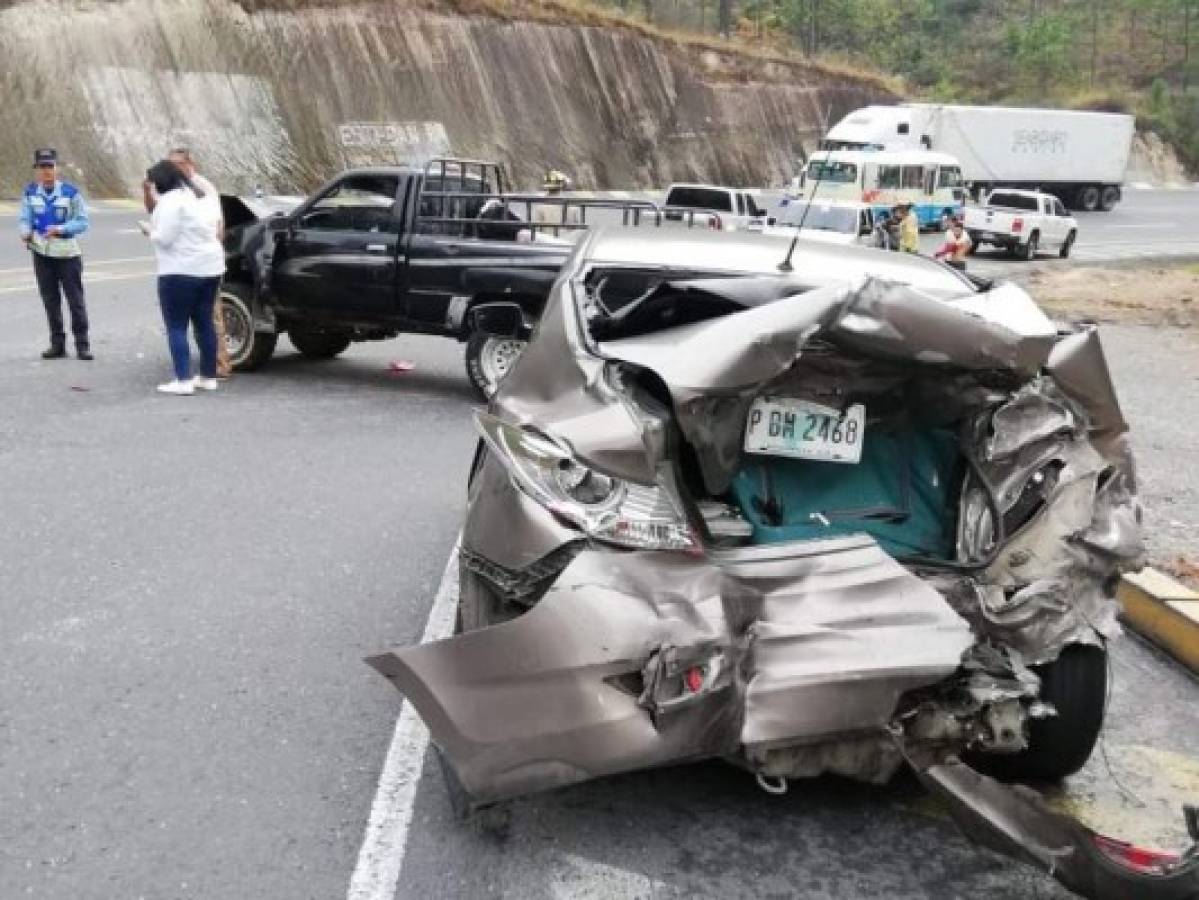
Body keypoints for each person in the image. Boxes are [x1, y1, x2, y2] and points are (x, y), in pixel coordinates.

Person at [143, 148, 231, 378]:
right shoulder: (194, 196)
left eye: (177, 164)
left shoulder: (186, 194)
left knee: (178, 326)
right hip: (210, 265)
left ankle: (184, 379)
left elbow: (165, 237)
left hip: (183, 269)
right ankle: (209, 375)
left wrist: (150, 232)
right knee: (204, 322)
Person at [18, 148, 92, 359]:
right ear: (36, 170)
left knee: (75, 301)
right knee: (50, 301)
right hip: (41, 254)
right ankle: (57, 344)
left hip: (67, 255)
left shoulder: (70, 193)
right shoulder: (31, 192)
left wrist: (60, 229)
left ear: (56, 168)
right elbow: (25, 218)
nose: (46, 171)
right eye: (42, 167)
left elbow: (82, 222)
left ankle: (82, 344)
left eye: (50, 166)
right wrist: (25, 233)